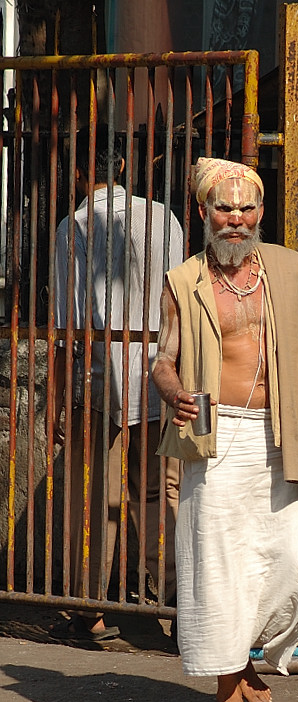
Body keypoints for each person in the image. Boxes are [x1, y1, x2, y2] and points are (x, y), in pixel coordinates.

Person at [151, 157, 298, 702]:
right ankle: (226, 685)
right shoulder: (184, 282)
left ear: (261, 213)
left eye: (246, 208)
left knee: (292, 559)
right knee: (220, 561)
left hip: (281, 431)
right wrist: (174, 391)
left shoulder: (291, 271)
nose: (235, 219)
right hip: (215, 431)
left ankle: (243, 655)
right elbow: (162, 361)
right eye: (224, 208)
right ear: (204, 213)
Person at [53, 124, 183, 639]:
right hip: (159, 373)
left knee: (96, 498)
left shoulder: (75, 228)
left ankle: (91, 609)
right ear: (124, 168)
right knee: (156, 493)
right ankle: (176, 606)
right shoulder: (165, 220)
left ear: (80, 172)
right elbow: (180, 306)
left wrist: (57, 398)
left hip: (101, 378)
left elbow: (67, 323)